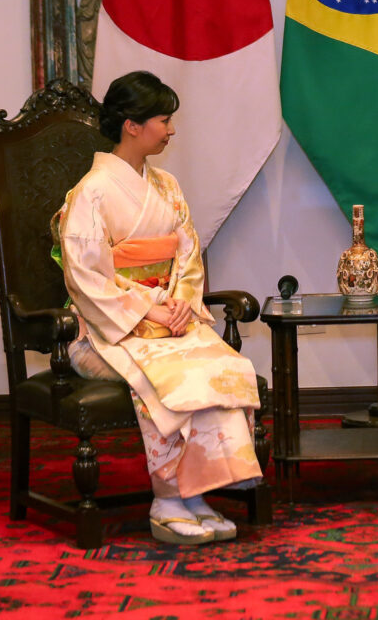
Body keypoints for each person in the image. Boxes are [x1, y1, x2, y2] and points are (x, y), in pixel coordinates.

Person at [53, 71, 262, 546]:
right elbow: (85, 278)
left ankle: (197, 493)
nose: (170, 130)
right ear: (132, 124)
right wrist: (148, 311)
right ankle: (167, 499)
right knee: (171, 375)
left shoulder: (166, 186)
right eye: (163, 120)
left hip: (168, 318)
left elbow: (187, 258)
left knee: (220, 364)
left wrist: (184, 305)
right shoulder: (92, 192)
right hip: (105, 331)